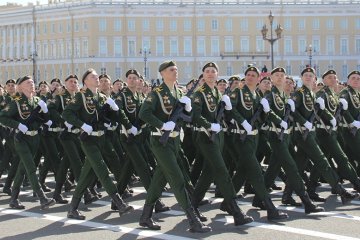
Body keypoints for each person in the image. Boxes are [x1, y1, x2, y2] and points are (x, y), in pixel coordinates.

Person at [138, 60, 211, 232]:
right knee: (178, 179)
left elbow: (189, 117)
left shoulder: (179, 92)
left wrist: (188, 108)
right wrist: (161, 125)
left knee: (159, 180)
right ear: (162, 73)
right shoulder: (156, 93)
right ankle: (193, 220)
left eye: (176, 69)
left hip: (175, 141)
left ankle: (145, 216)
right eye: (171, 70)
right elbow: (144, 114)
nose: (175, 72)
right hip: (160, 141)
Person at [63, 68, 134, 220]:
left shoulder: (102, 97)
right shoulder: (80, 97)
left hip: (103, 139)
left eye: (96, 76)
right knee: (102, 170)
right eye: (93, 77)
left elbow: (111, 116)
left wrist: (115, 110)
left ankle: (72, 208)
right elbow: (67, 114)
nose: (96, 78)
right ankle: (119, 203)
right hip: (89, 140)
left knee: (86, 175)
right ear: (86, 81)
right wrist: (82, 125)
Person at [191, 62, 254, 226]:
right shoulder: (199, 93)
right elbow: (195, 115)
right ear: (203, 75)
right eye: (207, 71)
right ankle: (236, 211)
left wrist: (229, 107)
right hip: (205, 136)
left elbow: (229, 113)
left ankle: (192, 206)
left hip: (218, 137)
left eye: (213, 71)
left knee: (208, 172)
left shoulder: (217, 93)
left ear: (217, 75)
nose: (210, 74)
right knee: (221, 170)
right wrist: (209, 125)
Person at [228, 66, 288, 220]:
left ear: (258, 79)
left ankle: (227, 202)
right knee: (256, 172)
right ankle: (271, 209)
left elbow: (261, 119)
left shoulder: (256, 96)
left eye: (253, 75)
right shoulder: (238, 92)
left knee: (242, 171)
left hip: (253, 137)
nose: (250, 77)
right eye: (248, 74)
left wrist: (267, 112)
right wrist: (243, 122)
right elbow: (231, 110)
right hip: (240, 137)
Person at [291, 67, 359, 203]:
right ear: (323, 80)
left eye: (334, 77)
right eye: (329, 78)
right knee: (340, 158)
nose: (333, 79)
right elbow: (316, 112)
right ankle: (353, 185)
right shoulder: (321, 94)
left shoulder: (332, 94)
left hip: (328, 132)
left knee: (314, 164)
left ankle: (307, 190)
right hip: (323, 132)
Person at [263, 67, 324, 214]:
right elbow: (268, 114)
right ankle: (307, 202)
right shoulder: (270, 96)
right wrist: (277, 119)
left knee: (273, 169)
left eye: (282, 76)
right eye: (276, 75)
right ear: (271, 78)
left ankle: (259, 199)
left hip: (286, 137)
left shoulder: (284, 96)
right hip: (276, 136)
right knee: (291, 167)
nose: (279, 78)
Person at [0, 75, 55, 210]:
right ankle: (42, 198)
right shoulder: (16, 101)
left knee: (22, 169)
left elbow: (45, 120)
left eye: (32, 82)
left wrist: (46, 111)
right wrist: (18, 125)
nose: (32, 84)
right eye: (28, 83)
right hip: (21, 139)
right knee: (31, 167)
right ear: (21, 86)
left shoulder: (37, 100)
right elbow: (2, 117)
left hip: (35, 138)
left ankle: (13, 199)